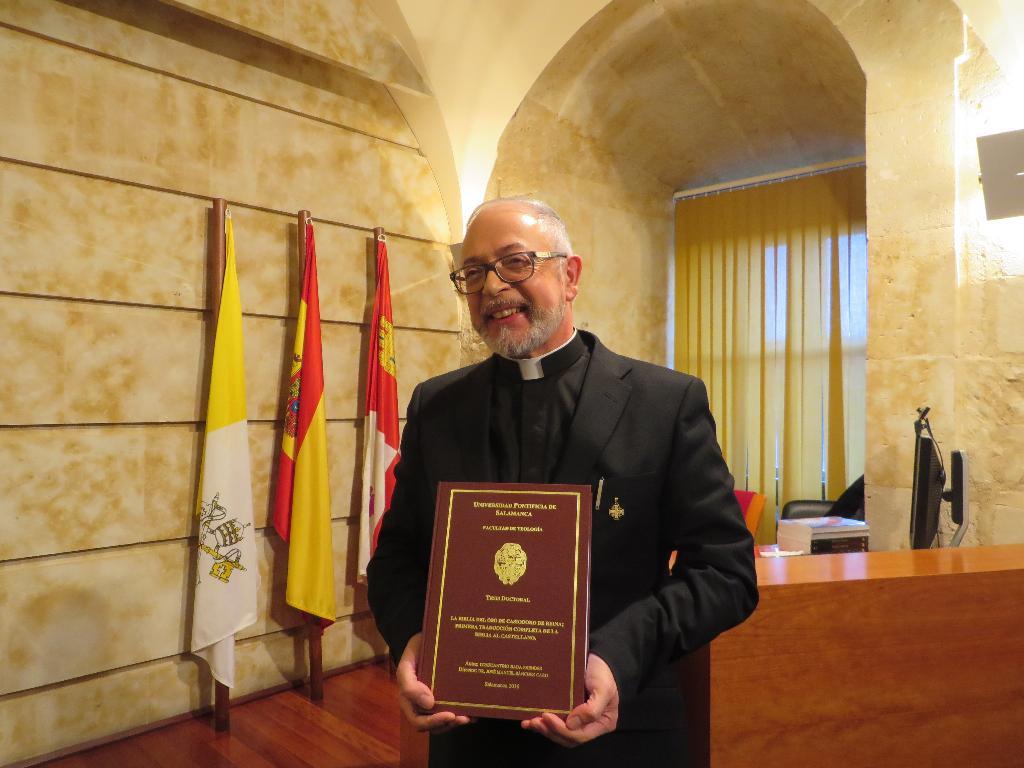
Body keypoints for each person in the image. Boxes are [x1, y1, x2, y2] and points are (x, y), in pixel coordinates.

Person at [367, 197, 758, 767]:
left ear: (569, 275)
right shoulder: (437, 405)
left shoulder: (665, 403)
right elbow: (397, 556)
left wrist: (616, 657)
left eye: (515, 261)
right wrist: (412, 640)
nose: (494, 287)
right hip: (468, 736)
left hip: (619, 730)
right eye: (473, 272)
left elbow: (726, 573)